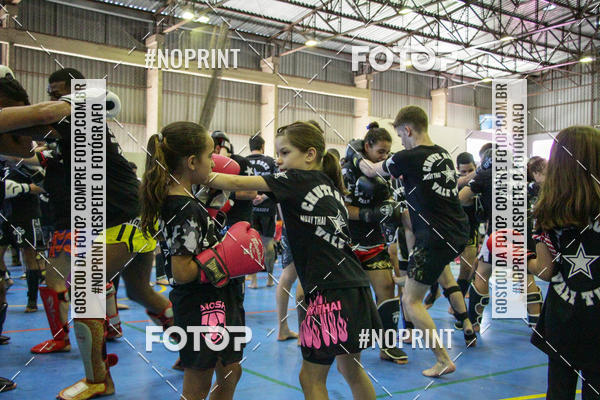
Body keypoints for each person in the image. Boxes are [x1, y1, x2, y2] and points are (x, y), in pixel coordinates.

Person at [208, 121, 381, 399]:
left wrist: (197, 172)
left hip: (327, 295)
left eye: (285, 153)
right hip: (356, 287)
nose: (279, 160)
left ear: (310, 154)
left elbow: (236, 183)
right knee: (351, 370)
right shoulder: (328, 184)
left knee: (310, 378)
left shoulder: (293, 180)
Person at [350, 105, 475, 377]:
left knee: (411, 301)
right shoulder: (442, 153)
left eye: (400, 135)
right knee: (439, 276)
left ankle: (443, 359)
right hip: (457, 232)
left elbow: (371, 170)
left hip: (434, 238)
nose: (401, 142)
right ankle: (460, 319)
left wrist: (355, 154)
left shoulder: (408, 157)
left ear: (407, 130)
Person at [140, 122, 246, 400]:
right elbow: (182, 271)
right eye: (209, 156)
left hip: (215, 300)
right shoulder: (183, 209)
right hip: (202, 305)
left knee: (231, 371)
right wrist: (226, 257)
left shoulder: (185, 201)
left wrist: (210, 208)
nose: (213, 162)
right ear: (191, 162)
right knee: (198, 384)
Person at [528, 126, 600, 400]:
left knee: (559, 390)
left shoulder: (546, 209)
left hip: (563, 314)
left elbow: (545, 271)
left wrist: (520, 259)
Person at [342, 122, 408, 364]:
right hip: (347, 243)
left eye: (387, 152)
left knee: (387, 290)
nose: (384, 156)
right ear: (367, 147)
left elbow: (388, 202)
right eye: (380, 151)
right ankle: (342, 344)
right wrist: (368, 214)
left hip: (373, 241)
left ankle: (387, 346)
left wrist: (389, 208)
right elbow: (341, 208)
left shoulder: (383, 172)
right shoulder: (347, 172)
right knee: (348, 298)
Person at [451, 152, 480, 326]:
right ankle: (445, 296)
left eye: (470, 170)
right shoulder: (453, 182)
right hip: (453, 230)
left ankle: (459, 307)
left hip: (471, 230)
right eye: (464, 172)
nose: (467, 174)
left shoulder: (482, 180)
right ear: (457, 170)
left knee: (467, 269)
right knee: (441, 272)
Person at [247, 134, 277, 288]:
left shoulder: (244, 161)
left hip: (250, 209)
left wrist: (253, 197)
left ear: (250, 146)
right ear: (263, 146)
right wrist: (264, 197)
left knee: (252, 244)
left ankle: (253, 281)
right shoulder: (271, 161)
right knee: (268, 243)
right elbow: (277, 183)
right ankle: (270, 279)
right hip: (267, 208)